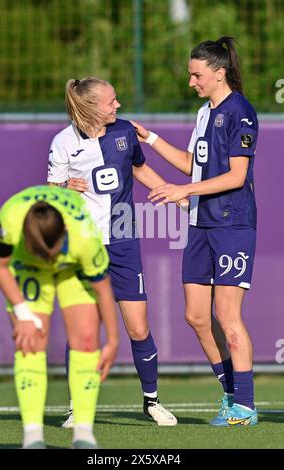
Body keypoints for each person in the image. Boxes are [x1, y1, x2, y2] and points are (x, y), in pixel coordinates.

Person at [132, 37, 258, 427]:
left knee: (226, 314)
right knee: (196, 316)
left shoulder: (241, 112)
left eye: (197, 74)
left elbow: (236, 176)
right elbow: (193, 165)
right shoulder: (205, 113)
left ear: (220, 73)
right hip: (200, 224)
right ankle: (230, 395)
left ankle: (246, 408)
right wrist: (150, 139)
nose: (191, 82)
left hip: (232, 224)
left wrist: (183, 192)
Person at [47, 77, 177, 427]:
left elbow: (138, 168)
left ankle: (151, 402)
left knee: (137, 328)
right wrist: (63, 186)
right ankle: (78, 407)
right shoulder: (63, 143)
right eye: (111, 102)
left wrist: (174, 191)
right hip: (83, 244)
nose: (117, 106)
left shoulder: (123, 132)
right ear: (90, 107)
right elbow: (51, 192)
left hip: (122, 240)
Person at [0, 185, 119, 448]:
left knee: (86, 340)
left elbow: (104, 290)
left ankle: (83, 434)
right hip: (28, 268)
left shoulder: (83, 235)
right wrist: (23, 312)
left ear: (64, 234)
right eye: (42, 254)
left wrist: (113, 342)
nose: (48, 259)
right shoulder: (9, 220)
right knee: (30, 342)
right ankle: (33, 437)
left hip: (71, 268)